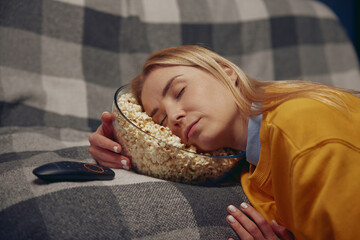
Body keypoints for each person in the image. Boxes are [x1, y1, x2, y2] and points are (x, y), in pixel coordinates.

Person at [89, 45, 360, 240]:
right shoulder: (248, 166)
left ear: (226, 72)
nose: (173, 117)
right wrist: (125, 144)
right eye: (159, 123)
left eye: (180, 91)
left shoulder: (302, 128)